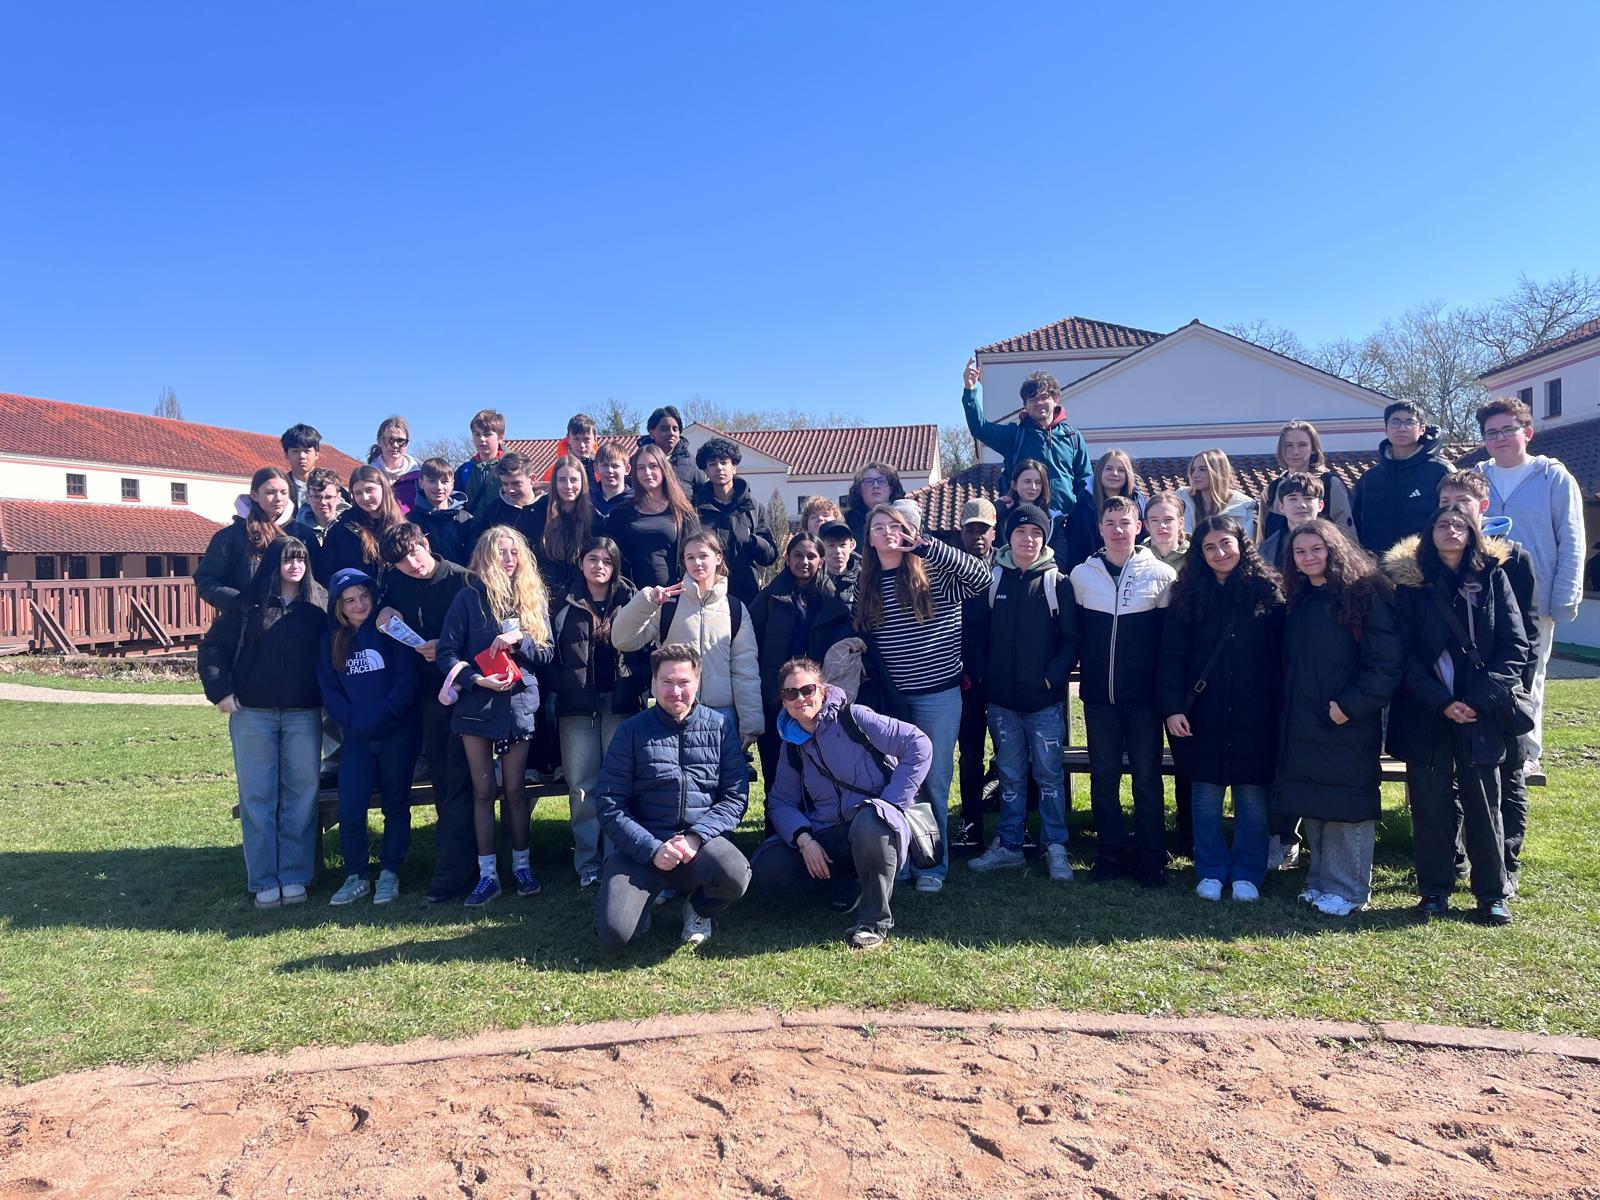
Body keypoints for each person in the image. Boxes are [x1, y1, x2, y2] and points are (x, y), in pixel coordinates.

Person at [1384, 505, 1528, 925]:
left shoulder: (1493, 578)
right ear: (1429, 534)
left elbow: (1515, 646)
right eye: (1442, 525)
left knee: (1484, 804)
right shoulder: (1411, 587)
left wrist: (1478, 701)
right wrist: (1442, 702)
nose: (1450, 531)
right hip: (1427, 711)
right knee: (1430, 804)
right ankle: (1434, 889)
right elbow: (1403, 654)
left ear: (1472, 534)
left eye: (1459, 525)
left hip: (1481, 712)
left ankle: (1491, 893)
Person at [854, 499, 991, 891]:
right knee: (894, 780)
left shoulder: (936, 574)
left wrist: (928, 547)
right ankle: (901, 860)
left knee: (933, 782)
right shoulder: (866, 582)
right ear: (870, 539)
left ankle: (932, 865)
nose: (887, 534)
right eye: (878, 528)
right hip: (891, 701)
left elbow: (980, 577)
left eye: (894, 526)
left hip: (938, 697)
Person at [751, 658, 932, 949]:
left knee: (871, 822)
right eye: (790, 693)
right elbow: (781, 801)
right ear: (783, 701)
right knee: (766, 869)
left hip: (873, 823)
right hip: (826, 829)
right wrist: (805, 840)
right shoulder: (791, 745)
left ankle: (874, 921)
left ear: (822, 690)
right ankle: (845, 885)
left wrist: (892, 805)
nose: (800, 698)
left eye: (808, 690)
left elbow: (918, 744)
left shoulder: (854, 718)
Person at [1277, 519, 1402, 917]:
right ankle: (1320, 882)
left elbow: (1385, 664)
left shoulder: (1364, 594)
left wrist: (1349, 706)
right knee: (1316, 800)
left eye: (1317, 549)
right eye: (1300, 552)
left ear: (1334, 549)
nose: (1308, 557)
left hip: (1347, 720)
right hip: (1304, 719)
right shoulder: (1299, 598)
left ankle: (1349, 889)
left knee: (1348, 804)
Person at [1158, 516, 1285, 902]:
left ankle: (1248, 871)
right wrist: (1173, 708)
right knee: (1205, 795)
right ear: (1199, 553)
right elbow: (1171, 657)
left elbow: (1281, 656)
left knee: (1252, 796)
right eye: (1209, 547)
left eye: (1226, 543)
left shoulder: (1267, 591)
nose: (1219, 553)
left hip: (1255, 710)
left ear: (1241, 544)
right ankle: (1211, 868)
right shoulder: (1186, 593)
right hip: (1202, 711)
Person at [593, 644, 752, 950]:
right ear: (653, 683)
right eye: (666, 682)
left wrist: (695, 837)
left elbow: (734, 797)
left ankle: (698, 908)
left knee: (735, 875)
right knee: (613, 936)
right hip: (643, 846)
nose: (675, 691)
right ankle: (641, 906)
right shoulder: (630, 732)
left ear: (698, 682)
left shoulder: (720, 728)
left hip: (701, 844)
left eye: (683, 682)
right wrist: (652, 848)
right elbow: (610, 803)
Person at [199, 537, 326, 908]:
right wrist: (221, 692)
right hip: (253, 713)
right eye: (287, 559)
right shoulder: (247, 605)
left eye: (301, 559)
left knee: (302, 795)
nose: (295, 566)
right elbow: (212, 649)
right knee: (258, 796)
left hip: (304, 713)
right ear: (273, 563)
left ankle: (295, 875)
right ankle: (264, 880)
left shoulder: (319, 606)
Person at [437, 526, 554, 907]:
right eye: (501, 552)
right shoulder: (468, 597)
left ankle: (522, 866)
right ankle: (487, 875)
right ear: (486, 556)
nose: (508, 559)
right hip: (476, 708)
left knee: (516, 791)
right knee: (483, 791)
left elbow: (547, 653)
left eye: (514, 552)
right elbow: (447, 654)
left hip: (518, 705)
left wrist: (522, 641)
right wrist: (476, 680)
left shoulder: (531, 597)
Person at [1438, 469, 1540, 890]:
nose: (1453, 512)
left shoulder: (1511, 558)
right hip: (1449, 692)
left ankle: (1506, 863)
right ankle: (1455, 858)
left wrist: (1511, 688)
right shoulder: (1430, 559)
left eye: (1461, 503)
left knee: (1508, 775)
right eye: (1445, 504)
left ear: (1482, 507)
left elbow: (1526, 633)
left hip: (1501, 689)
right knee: (1452, 778)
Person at [1473, 395, 1585, 774]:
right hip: (1483, 597)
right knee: (1486, 671)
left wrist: (1565, 596)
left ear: (1528, 433)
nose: (1500, 438)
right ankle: (1486, 745)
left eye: (1508, 429)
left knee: (1531, 675)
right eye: (1491, 432)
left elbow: (1572, 539)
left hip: (1535, 598)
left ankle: (1528, 753)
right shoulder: (1476, 478)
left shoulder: (1554, 477)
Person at [1069, 496, 1177, 886]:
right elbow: (1074, 635)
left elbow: (1169, 645)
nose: (1118, 530)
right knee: (1104, 778)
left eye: (1125, 522)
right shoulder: (1081, 575)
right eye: (1110, 523)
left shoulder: (1162, 574)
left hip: (1145, 702)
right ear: (1100, 528)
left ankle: (1151, 857)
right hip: (1099, 700)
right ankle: (1110, 853)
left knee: (1147, 779)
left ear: (1139, 527)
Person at [969, 504, 1078, 882]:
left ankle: (1055, 847)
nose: (1028, 539)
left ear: (1044, 539)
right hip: (1002, 703)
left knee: (1049, 778)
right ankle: (1009, 846)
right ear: (1008, 537)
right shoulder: (991, 580)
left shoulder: (1057, 583)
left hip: (1044, 704)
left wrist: (1051, 679)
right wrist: (986, 676)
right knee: (1010, 776)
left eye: (1036, 533)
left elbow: (1071, 640)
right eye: (1020, 532)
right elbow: (977, 634)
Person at [375, 522, 476, 905]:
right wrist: (384, 613)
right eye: (402, 561)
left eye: (415, 552)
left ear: (426, 543)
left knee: (462, 783)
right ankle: (455, 868)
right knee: (445, 785)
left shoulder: (463, 580)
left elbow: (485, 634)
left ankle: (457, 874)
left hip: (466, 694)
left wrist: (448, 648)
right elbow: (382, 613)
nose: (413, 564)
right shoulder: (395, 583)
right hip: (426, 698)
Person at [316, 567, 422, 906]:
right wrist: (352, 720)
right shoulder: (331, 641)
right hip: (356, 740)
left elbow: (407, 680)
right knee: (350, 809)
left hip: (396, 735)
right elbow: (329, 689)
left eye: (364, 597)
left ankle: (390, 873)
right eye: (350, 600)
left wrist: (386, 713)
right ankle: (356, 876)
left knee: (396, 806)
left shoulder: (389, 631)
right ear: (339, 606)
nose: (359, 605)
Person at [550, 537, 651, 887]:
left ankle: (617, 857)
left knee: (619, 784)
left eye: (607, 561)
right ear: (581, 563)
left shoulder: (633, 600)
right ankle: (587, 862)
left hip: (622, 705)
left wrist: (635, 682)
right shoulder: (562, 601)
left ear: (616, 566)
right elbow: (547, 651)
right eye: (592, 559)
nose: (599, 567)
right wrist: (563, 684)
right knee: (581, 787)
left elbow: (649, 650)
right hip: (576, 708)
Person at [612, 529, 764, 748]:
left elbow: (745, 670)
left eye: (703, 556)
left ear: (718, 558)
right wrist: (646, 601)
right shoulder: (667, 605)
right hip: (672, 712)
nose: (697, 562)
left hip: (722, 715)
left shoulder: (736, 609)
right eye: (690, 557)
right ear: (683, 562)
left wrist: (751, 724)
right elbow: (622, 640)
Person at [750, 531, 854, 790]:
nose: (804, 561)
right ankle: (776, 815)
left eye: (811, 556)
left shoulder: (834, 602)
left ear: (821, 560)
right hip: (776, 697)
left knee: (818, 770)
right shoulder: (769, 598)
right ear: (787, 559)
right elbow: (751, 644)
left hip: (816, 698)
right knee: (776, 770)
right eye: (798, 555)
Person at [959, 359, 1092, 534]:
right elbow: (980, 428)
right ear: (1025, 405)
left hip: (1067, 524)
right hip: (1025, 522)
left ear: (1055, 400)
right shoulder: (1014, 435)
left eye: (1044, 397)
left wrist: (1082, 514)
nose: (1038, 403)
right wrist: (970, 391)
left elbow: (1085, 481)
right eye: (1032, 399)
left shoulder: (1072, 437)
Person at [196, 467, 316, 612]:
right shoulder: (231, 536)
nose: (278, 498)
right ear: (254, 495)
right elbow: (206, 580)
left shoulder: (302, 534)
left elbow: (316, 580)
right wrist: (241, 603)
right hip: (245, 622)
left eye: (284, 492)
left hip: (294, 619)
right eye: (270, 492)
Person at [952, 498, 998, 853]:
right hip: (964, 680)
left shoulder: (1006, 567)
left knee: (1010, 756)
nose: (977, 536)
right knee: (969, 756)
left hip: (1001, 678)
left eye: (983, 530)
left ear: (994, 532)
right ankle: (970, 823)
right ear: (961, 533)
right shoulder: (951, 569)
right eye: (971, 530)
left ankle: (1015, 826)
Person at [1351, 401, 1452, 556]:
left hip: (1425, 561)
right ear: (1386, 429)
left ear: (1422, 429)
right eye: (1395, 422)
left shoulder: (1440, 471)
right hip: (1375, 563)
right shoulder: (1369, 479)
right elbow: (1356, 524)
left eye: (1410, 422)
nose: (1402, 428)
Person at [694, 437, 779, 607]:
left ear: (733, 467)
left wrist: (751, 540)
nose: (719, 468)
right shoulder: (695, 508)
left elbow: (770, 556)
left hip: (747, 595)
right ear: (706, 471)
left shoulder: (754, 507)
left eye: (724, 462)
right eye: (712, 464)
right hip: (707, 593)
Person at [606, 443, 699, 588]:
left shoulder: (683, 512)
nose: (647, 473)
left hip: (678, 594)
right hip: (635, 596)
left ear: (664, 469)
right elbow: (613, 559)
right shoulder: (620, 514)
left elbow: (697, 553)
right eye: (641, 468)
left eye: (653, 466)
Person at [1258, 420, 1355, 543]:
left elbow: (1347, 535)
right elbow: (1262, 541)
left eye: (1302, 445)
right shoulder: (1271, 491)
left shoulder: (1330, 484)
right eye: (1288, 445)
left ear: (1313, 449)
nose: (1295, 451)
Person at [524, 453, 599, 599]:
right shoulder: (534, 513)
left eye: (574, 480)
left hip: (581, 597)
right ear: (554, 482)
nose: (568, 486)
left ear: (582, 482)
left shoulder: (594, 518)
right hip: (543, 595)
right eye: (562, 480)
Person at [321, 465, 406, 580]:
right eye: (358, 493)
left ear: (383, 488)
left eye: (369, 490)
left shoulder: (404, 527)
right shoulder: (341, 529)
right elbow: (326, 573)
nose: (365, 497)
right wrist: (347, 587)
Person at [997, 459, 1075, 568]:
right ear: (1014, 485)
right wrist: (997, 511)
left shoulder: (1054, 520)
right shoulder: (1001, 516)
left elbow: (1060, 561)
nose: (1033, 487)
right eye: (1027, 481)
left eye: (1038, 482)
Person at [1177, 449, 1256, 539]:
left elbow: (1245, 543)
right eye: (1193, 469)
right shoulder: (1182, 500)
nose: (1194, 475)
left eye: (1202, 469)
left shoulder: (1242, 507)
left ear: (1218, 472)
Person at [1257, 472, 1324, 570]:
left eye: (1308, 498)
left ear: (1320, 505)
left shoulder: (1335, 543)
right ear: (1281, 506)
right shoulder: (1268, 549)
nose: (1301, 505)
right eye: (1293, 499)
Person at [295, 466, 348, 577]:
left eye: (328, 497)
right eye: (316, 497)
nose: (323, 502)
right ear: (308, 498)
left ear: (338, 498)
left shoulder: (352, 527)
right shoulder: (297, 532)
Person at [639, 405, 705, 492]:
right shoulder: (637, 461)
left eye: (675, 429)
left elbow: (702, 494)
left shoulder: (693, 464)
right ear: (651, 433)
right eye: (664, 429)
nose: (671, 433)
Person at [455, 408, 507, 518]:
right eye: (477, 434)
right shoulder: (464, 471)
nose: (482, 439)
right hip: (473, 528)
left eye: (487, 434)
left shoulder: (512, 468)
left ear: (500, 438)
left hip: (505, 527)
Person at [473, 452, 539, 539]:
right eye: (505, 484)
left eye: (516, 483)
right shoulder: (494, 512)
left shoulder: (548, 507)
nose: (510, 490)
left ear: (532, 479)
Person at [842, 462, 906, 547]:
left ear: (891, 489)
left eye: (882, 481)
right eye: (869, 481)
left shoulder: (904, 517)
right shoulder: (846, 520)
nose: (876, 486)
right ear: (860, 489)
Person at [368, 415, 421, 513]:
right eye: (389, 440)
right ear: (379, 441)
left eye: (401, 441)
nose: (395, 445)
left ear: (407, 444)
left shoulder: (420, 478)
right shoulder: (367, 476)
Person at [546, 413, 599, 487]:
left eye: (586, 439)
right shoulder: (555, 471)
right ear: (568, 439)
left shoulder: (604, 468)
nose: (582, 445)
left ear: (595, 439)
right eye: (576, 439)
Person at [280, 423, 322, 512]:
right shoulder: (279, 488)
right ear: (286, 455)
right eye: (295, 451)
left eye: (307, 451)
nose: (302, 456)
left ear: (316, 454)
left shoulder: (332, 488)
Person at [818, 519, 861, 607]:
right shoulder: (813, 580)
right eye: (831, 545)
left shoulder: (863, 578)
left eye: (842, 545)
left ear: (851, 546)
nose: (838, 551)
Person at [1143, 491, 1189, 569]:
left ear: (1180, 523)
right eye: (1155, 520)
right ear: (1147, 525)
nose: (1162, 526)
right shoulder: (1135, 559)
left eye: (1168, 519)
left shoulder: (1196, 557)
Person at [591, 441, 634, 520]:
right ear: (596, 468)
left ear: (627, 469)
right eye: (604, 465)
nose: (609, 470)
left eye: (615, 466)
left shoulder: (636, 502)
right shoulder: (587, 500)